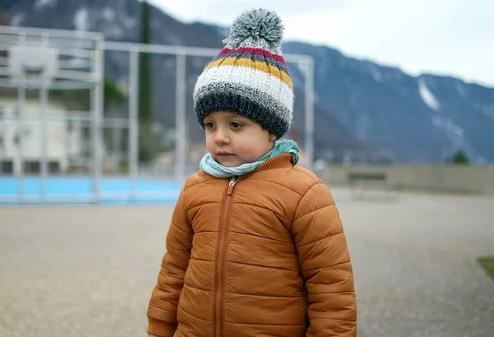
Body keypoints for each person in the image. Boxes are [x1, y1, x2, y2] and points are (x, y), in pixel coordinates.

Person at [146, 8, 357, 337]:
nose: (219, 136)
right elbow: (174, 269)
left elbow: (331, 290)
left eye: (235, 124)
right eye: (210, 124)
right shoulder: (195, 188)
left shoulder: (305, 194)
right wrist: (159, 328)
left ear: (271, 129)